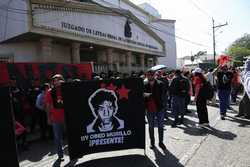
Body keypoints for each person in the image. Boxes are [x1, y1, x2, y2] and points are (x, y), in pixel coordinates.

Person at [144, 70, 166, 150]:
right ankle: (152, 143)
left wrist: (148, 95)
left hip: (159, 108)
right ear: (146, 76)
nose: (150, 76)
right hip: (149, 109)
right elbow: (141, 95)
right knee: (151, 126)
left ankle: (161, 142)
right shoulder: (144, 84)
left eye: (151, 75)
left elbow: (162, 95)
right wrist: (145, 95)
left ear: (154, 75)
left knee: (160, 126)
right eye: (148, 75)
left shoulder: (160, 83)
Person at [45, 74, 65, 161]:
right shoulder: (50, 92)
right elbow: (48, 106)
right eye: (54, 80)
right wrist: (49, 118)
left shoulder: (66, 89)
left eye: (58, 80)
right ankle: (60, 155)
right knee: (58, 137)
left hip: (66, 117)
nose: (56, 82)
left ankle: (74, 153)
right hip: (56, 118)